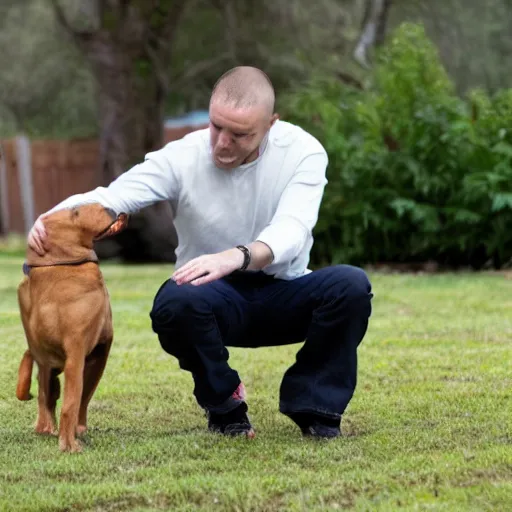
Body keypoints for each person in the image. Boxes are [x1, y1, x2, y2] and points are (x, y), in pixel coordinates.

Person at [28, 66, 373, 439]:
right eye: (216, 127)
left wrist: (235, 256)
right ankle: (225, 405)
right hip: (211, 300)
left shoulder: (304, 151)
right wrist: (49, 220)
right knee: (174, 301)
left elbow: (292, 229)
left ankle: (314, 407)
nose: (222, 143)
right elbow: (113, 197)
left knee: (350, 285)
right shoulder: (183, 156)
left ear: (271, 124)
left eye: (239, 134)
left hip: (284, 290)